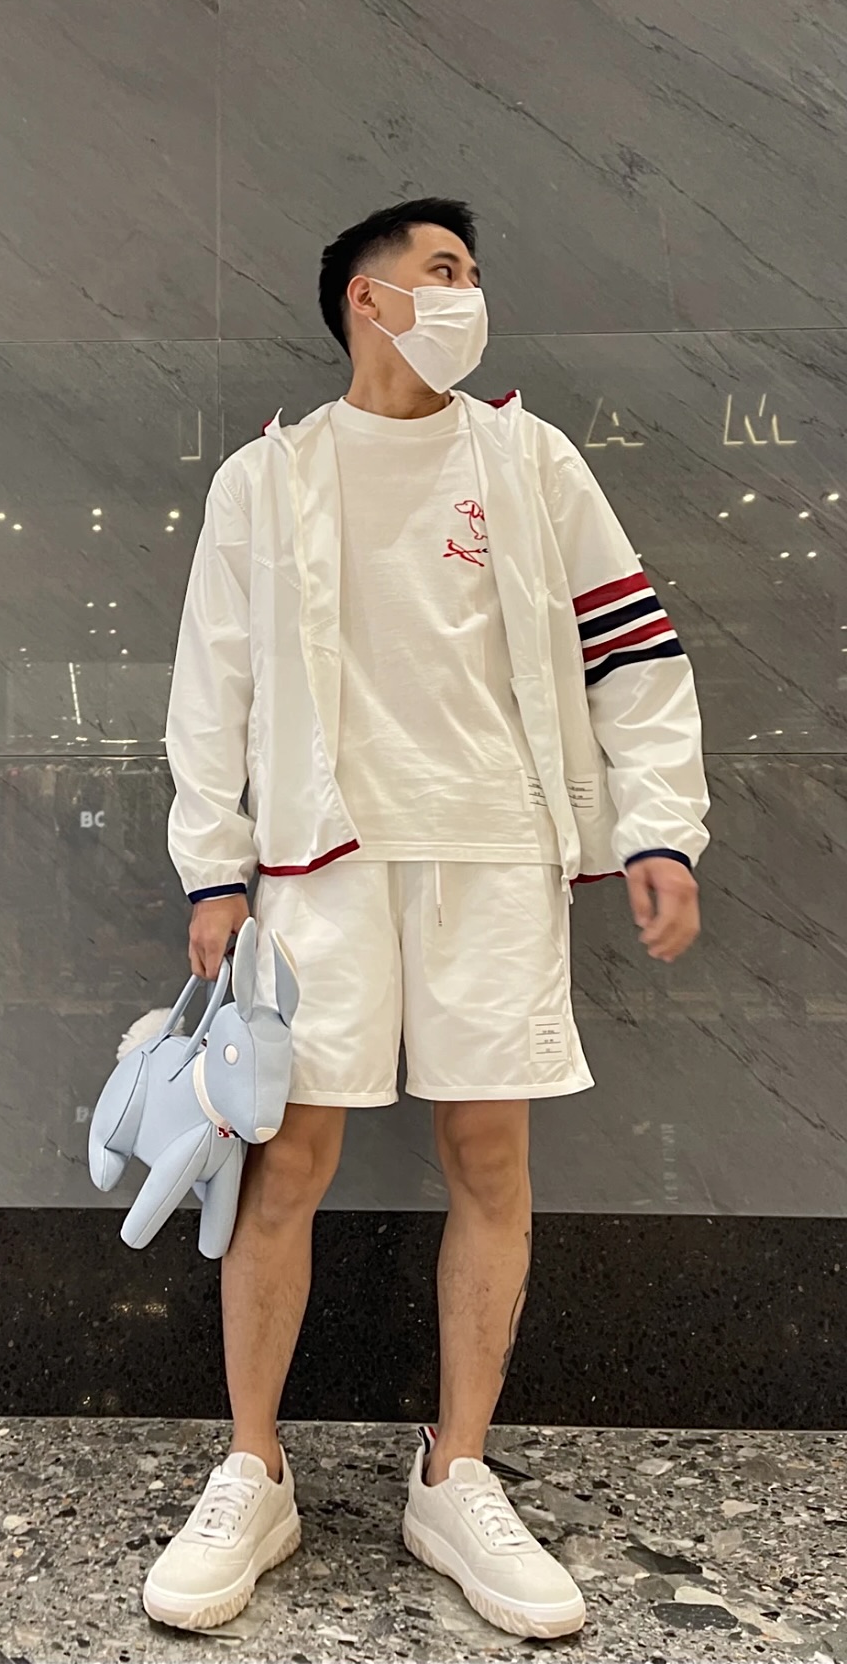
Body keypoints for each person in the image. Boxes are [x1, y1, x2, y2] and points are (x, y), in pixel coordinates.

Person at [146, 199, 708, 1639]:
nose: (468, 294)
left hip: (493, 854)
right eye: (442, 271)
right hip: (317, 863)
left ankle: (455, 1474)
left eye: (471, 274)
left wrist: (657, 827)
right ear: (367, 297)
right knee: (286, 1159)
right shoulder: (268, 478)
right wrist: (214, 868)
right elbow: (211, 686)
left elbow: (632, 648)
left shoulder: (530, 459)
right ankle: (254, 1468)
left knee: (490, 1155)